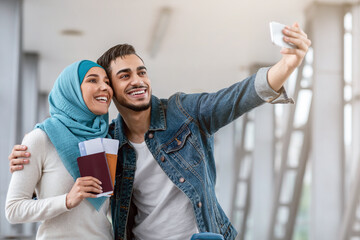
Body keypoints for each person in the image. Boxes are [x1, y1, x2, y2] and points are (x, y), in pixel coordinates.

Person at [8, 23, 311, 240]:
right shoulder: (108, 141)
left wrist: (288, 64)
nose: (138, 80)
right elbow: (74, 190)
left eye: (141, 72)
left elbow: (235, 97)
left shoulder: (185, 113)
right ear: (111, 91)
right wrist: (29, 160)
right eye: (124, 76)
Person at [5, 60, 114, 240]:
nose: (104, 87)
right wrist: (67, 200)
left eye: (107, 82)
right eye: (93, 80)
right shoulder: (41, 138)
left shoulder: (107, 141)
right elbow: (13, 210)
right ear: (71, 90)